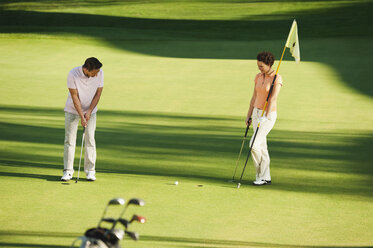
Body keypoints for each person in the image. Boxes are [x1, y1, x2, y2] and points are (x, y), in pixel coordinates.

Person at [61, 57, 104, 181]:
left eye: (97, 72)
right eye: (93, 73)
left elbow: (98, 94)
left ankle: (90, 171)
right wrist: (81, 116)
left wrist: (89, 112)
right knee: (69, 140)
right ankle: (68, 171)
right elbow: (74, 97)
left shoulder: (100, 72)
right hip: (72, 110)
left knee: (90, 139)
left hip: (91, 111)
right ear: (86, 69)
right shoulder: (73, 74)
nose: (96, 75)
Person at [245, 51, 282, 186]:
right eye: (258, 66)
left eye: (261, 66)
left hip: (268, 116)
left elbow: (273, 98)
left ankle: (259, 175)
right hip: (256, 113)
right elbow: (254, 97)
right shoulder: (258, 77)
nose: (259, 68)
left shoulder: (276, 78)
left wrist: (265, 116)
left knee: (253, 144)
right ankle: (266, 177)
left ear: (269, 64)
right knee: (262, 146)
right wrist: (249, 115)